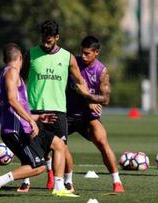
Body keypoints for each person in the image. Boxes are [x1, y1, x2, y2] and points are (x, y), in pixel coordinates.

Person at [0, 43, 79, 198]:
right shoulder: (12, 73)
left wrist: (38, 117)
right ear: (20, 57)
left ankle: (59, 187)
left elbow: (16, 105)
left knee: (59, 144)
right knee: (39, 167)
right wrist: (31, 120)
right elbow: (12, 101)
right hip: (16, 130)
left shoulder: (8, 73)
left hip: (24, 126)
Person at [18, 20, 91, 192]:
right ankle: (26, 181)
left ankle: (67, 181)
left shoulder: (67, 57)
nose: (45, 42)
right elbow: (19, 79)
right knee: (29, 146)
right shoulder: (31, 54)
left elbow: (80, 81)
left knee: (62, 148)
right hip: (34, 110)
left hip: (58, 111)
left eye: (49, 40)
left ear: (57, 38)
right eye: (43, 38)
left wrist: (90, 99)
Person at [65, 36, 124, 193]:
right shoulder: (72, 63)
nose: (83, 56)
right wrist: (88, 99)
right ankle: (65, 181)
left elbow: (105, 99)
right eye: (82, 53)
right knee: (56, 145)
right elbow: (70, 86)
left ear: (96, 53)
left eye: (87, 53)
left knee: (102, 141)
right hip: (67, 114)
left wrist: (88, 99)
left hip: (87, 116)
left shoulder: (101, 71)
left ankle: (117, 181)